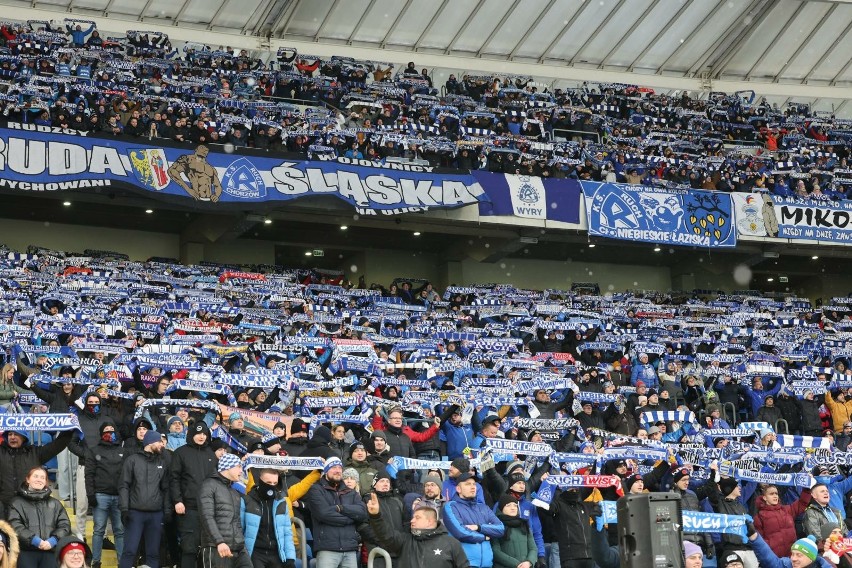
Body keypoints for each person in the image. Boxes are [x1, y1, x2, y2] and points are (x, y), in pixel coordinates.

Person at [366, 494, 469, 568]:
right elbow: (386, 534)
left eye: (417, 517)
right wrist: (376, 516)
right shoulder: (405, 540)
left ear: (430, 521)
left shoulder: (451, 543)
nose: (412, 520)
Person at [302, 457, 367, 568]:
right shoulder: (316, 489)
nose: (337, 470)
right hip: (327, 548)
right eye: (333, 467)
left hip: (350, 549)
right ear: (326, 471)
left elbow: (362, 513)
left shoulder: (351, 492)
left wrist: (340, 508)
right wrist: (350, 519)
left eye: (339, 467)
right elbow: (323, 514)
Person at [118, 430, 170, 568]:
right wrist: (124, 509)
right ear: (150, 442)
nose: (161, 444)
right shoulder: (132, 460)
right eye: (159, 441)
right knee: (130, 551)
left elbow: (165, 489)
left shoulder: (163, 462)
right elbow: (124, 486)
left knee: (153, 553)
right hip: (135, 513)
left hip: (156, 514)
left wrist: (167, 511)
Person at [171, 422, 218, 568]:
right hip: (188, 508)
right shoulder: (180, 452)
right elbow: (174, 478)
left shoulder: (211, 454)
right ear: (191, 434)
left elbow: (216, 481)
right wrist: (177, 501)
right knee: (189, 548)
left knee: (208, 548)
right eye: (198, 433)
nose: (202, 437)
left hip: (209, 509)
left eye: (204, 434)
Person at [0, 428, 73, 518]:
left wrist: (69, 429)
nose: (12, 437)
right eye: (10, 434)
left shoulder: (35, 453)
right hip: (3, 510)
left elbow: (58, 444)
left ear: (24, 437)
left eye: (16, 434)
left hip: (29, 510)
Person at [8, 466, 71, 568]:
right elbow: (14, 525)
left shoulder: (55, 503)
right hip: (26, 552)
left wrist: (53, 540)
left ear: (46, 481)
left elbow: (65, 525)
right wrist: (34, 540)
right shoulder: (16, 502)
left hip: (50, 552)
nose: (39, 479)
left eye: (42, 477)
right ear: (28, 479)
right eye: (35, 476)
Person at [198, 453, 253, 568]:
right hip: (216, 548)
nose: (241, 471)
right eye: (238, 466)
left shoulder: (234, 491)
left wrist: (242, 546)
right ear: (228, 467)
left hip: (238, 549)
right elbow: (207, 516)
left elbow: (236, 521)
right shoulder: (208, 485)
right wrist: (219, 542)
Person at [84, 421, 125, 568]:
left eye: (112, 430)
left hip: (119, 497)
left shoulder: (123, 450)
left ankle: (122, 562)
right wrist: (91, 495)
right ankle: (96, 561)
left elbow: (126, 475)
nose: (110, 432)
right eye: (106, 430)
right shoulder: (94, 450)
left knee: (119, 530)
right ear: (101, 434)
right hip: (101, 496)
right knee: (99, 530)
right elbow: (88, 474)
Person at [443, 473, 505, 568]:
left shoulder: (484, 507)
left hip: (487, 564)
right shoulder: (451, 506)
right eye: (468, 484)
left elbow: (500, 529)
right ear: (458, 489)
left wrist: (478, 527)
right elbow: (460, 532)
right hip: (464, 564)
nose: (473, 487)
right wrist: (485, 537)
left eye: (474, 484)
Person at [240, 468, 297, 568]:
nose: (272, 485)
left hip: (276, 554)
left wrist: (290, 557)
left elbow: (287, 532)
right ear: (260, 481)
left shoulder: (281, 502)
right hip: (254, 553)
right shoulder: (247, 500)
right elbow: (239, 529)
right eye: (268, 482)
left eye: (275, 482)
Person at [754, 485, 812, 558]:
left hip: (792, 556)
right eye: (771, 494)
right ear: (764, 497)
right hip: (774, 558)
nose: (775, 496)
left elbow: (802, 503)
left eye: (776, 493)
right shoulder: (759, 517)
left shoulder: (787, 510)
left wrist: (807, 489)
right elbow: (760, 541)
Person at [491, 494, 537, 568]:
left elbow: (533, 548)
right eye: (508, 505)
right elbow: (495, 551)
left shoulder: (524, 524)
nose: (513, 508)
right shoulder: (496, 526)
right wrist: (517, 564)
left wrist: (529, 562)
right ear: (501, 508)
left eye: (515, 505)